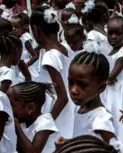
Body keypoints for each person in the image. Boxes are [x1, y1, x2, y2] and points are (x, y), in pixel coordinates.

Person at [31, 6, 73, 138]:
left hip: (56, 109)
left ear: (36, 30)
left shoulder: (50, 57)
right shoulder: (63, 48)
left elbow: (62, 97)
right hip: (67, 107)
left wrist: (46, 124)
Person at [102, 16, 123, 142]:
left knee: (117, 114)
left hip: (121, 90)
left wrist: (102, 79)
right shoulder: (111, 50)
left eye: (118, 33)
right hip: (109, 88)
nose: (113, 37)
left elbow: (112, 74)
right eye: (110, 33)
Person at [11, 13, 40, 80]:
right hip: (18, 67)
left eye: (17, 27)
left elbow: (35, 56)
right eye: (12, 27)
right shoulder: (15, 38)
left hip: (27, 67)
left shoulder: (25, 39)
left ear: (24, 27)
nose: (14, 29)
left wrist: (25, 66)